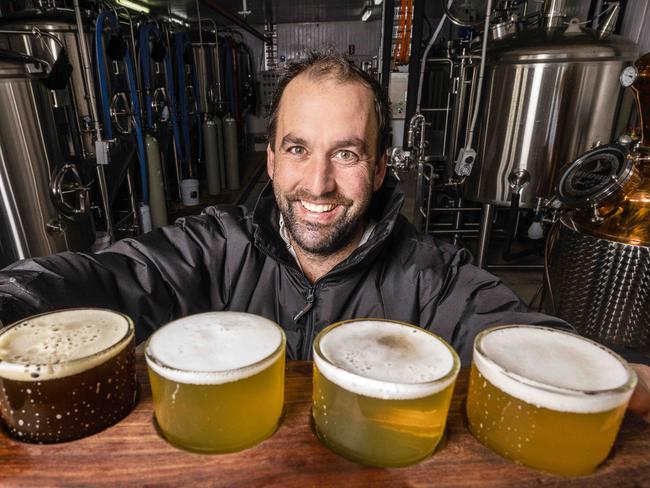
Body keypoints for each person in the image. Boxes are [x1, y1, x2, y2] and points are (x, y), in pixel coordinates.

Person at [0, 50, 648, 419]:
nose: (318, 185)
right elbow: (101, 277)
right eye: (298, 149)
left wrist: (615, 382)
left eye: (346, 154)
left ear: (381, 166)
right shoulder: (216, 245)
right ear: (272, 161)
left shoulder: (433, 276)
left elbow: (537, 349)